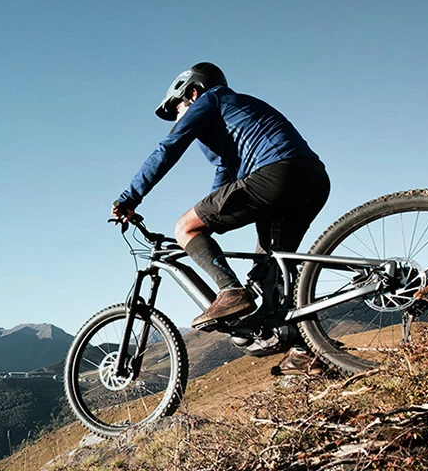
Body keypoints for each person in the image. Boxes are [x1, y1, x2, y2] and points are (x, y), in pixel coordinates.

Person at [110, 62, 330, 330]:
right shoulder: (237, 112)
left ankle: (230, 290)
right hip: (312, 177)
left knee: (184, 227)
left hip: (277, 173)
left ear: (193, 93)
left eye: (177, 108)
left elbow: (168, 148)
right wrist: (205, 235)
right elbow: (223, 181)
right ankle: (304, 348)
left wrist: (130, 198)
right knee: (269, 272)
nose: (179, 117)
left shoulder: (211, 99)